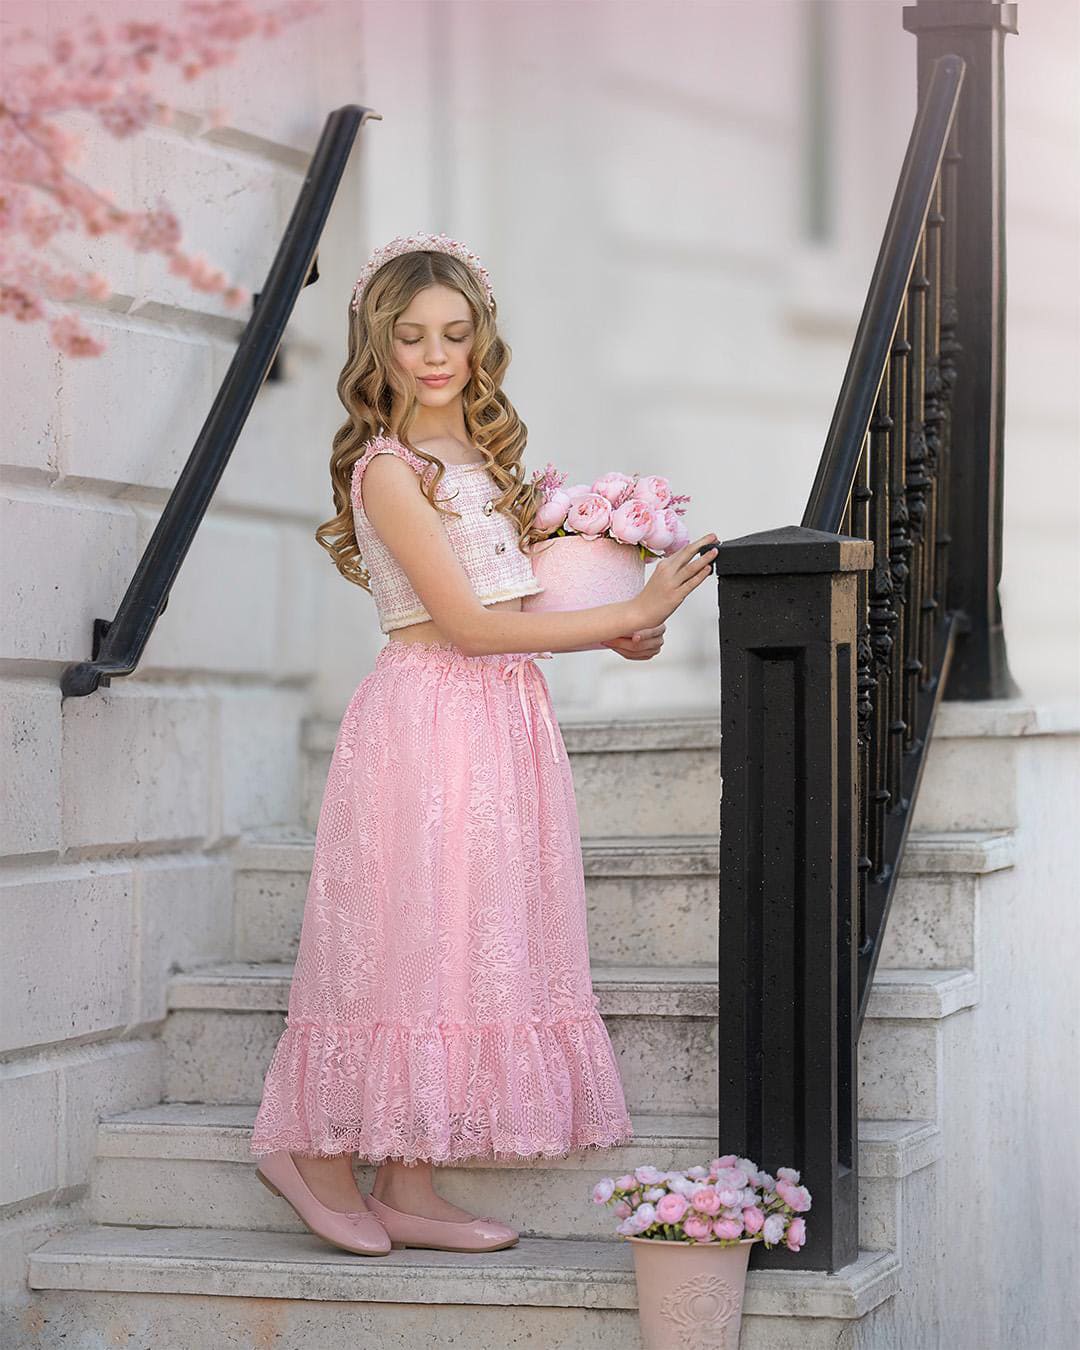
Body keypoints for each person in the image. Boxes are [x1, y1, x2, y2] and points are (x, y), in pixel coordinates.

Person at [249, 232, 719, 1257]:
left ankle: (408, 1182)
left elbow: (515, 601)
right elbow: (462, 626)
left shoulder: (482, 459)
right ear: (377, 345)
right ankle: (311, 1152)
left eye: (454, 335)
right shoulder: (387, 470)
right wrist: (614, 613)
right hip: (427, 718)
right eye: (411, 336)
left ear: (480, 342)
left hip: (504, 718)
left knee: (467, 938)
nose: (434, 354)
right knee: (406, 933)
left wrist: (627, 628)